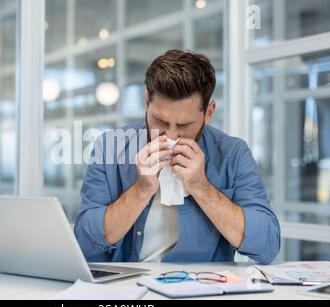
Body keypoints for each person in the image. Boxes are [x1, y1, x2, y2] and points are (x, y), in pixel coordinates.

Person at [75, 49, 280, 264]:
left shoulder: (233, 154)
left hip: (202, 290)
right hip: (127, 289)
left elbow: (267, 247)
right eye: (160, 121)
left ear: (209, 113)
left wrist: (202, 187)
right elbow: (85, 246)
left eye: (184, 125)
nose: (171, 135)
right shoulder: (109, 147)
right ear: (146, 102)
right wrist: (141, 190)